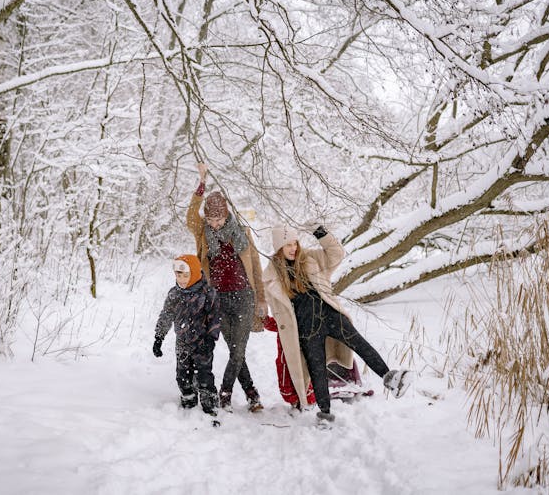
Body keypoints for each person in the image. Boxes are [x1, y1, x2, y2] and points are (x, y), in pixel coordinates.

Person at [262, 224, 412, 425]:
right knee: (317, 370)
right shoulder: (271, 277)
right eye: (287, 245)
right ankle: (325, 414)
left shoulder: (311, 258)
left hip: (330, 315)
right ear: (278, 247)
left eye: (294, 243)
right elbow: (279, 313)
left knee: (358, 342)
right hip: (306, 329)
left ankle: (390, 377)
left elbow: (336, 253)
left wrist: (319, 232)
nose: (293, 248)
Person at [186, 162, 267, 412]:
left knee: (238, 349)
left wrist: (261, 299)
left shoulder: (241, 232)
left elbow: (254, 266)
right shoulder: (202, 232)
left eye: (219, 219)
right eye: (211, 219)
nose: (215, 224)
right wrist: (201, 183)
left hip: (244, 296)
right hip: (217, 298)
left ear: (226, 215)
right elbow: (191, 216)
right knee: (235, 350)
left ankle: (226, 393)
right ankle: (252, 394)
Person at [153, 254, 221, 417]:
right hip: (182, 343)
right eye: (178, 275)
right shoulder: (174, 294)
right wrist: (159, 337)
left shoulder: (207, 293)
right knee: (183, 375)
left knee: (204, 375)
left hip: (202, 342)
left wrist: (211, 338)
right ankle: (188, 399)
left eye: (186, 275)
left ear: (196, 273)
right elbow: (166, 315)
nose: (182, 279)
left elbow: (215, 318)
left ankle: (209, 402)